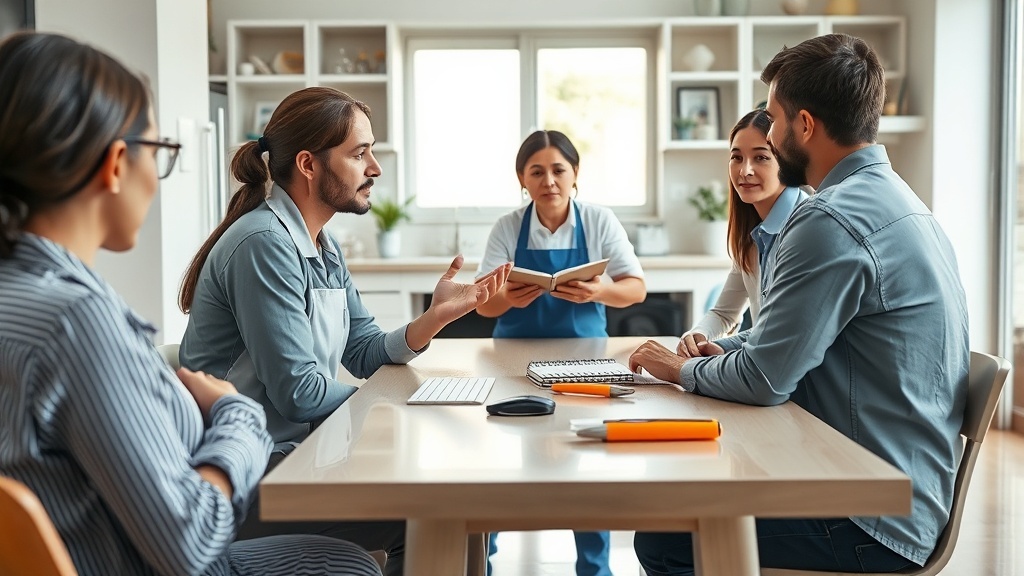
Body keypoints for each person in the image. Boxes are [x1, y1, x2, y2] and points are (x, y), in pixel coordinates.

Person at [0, 31, 380, 576]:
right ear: (115, 164)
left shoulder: (23, 298)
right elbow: (189, 540)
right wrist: (236, 416)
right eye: (160, 152)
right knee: (354, 562)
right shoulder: (77, 322)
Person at [629, 33, 968, 575]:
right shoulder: (901, 201)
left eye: (772, 119)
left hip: (871, 517)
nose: (767, 133)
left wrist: (681, 369)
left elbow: (765, 380)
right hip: (900, 493)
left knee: (664, 534)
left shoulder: (829, 219)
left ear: (804, 125)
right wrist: (723, 351)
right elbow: (797, 336)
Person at [178, 86, 510, 575]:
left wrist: (433, 319)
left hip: (296, 454)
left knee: (462, 504)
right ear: (309, 165)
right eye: (359, 154)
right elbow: (300, 394)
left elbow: (363, 350)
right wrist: (401, 410)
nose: (375, 168)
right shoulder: (264, 244)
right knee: (435, 510)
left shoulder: (322, 246)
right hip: (242, 475)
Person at [476, 130, 646, 576]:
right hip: (514, 363)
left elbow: (636, 288)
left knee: (586, 461)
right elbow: (483, 303)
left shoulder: (600, 220)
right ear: (522, 178)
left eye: (558, 170)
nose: (548, 180)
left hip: (585, 360)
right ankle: (483, 563)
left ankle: (595, 568)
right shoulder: (507, 227)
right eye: (537, 171)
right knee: (503, 462)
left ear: (575, 174)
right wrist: (507, 298)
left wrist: (599, 290)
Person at [676, 108, 807, 358]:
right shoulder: (754, 233)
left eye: (761, 157)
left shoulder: (806, 226)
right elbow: (724, 313)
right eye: (736, 157)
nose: (745, 170)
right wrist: (696, 336)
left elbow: (781, 332)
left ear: (787, 162)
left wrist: (725, 348)